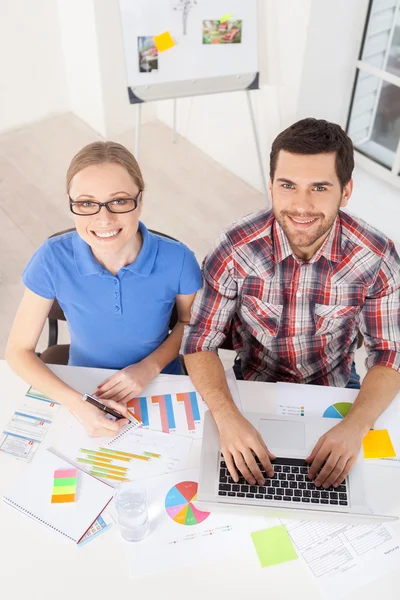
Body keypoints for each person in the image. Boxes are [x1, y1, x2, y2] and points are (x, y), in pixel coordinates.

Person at [181, 118, 400, 491]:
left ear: (345, 192)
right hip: (250, 388)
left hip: (335, 390)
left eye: (319, 187)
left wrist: (355, 426)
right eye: (287, 186)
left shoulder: (377, 257)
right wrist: (226, 418)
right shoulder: (235, 247)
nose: (301, 205)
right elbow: (199, 341)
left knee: (359, 495)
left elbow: (389, 354)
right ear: (271, 186)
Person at [6, 141, 202, 437]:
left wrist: (149, 367)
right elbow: (18, 351)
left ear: (140, 198)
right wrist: (80, 404)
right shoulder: (51, 258)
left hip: (161, 383)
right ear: (71, 203)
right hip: (83, 386)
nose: (104, 219)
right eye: (86, 203)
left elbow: (190, 324)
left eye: (120, 201)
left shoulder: (179, 259)